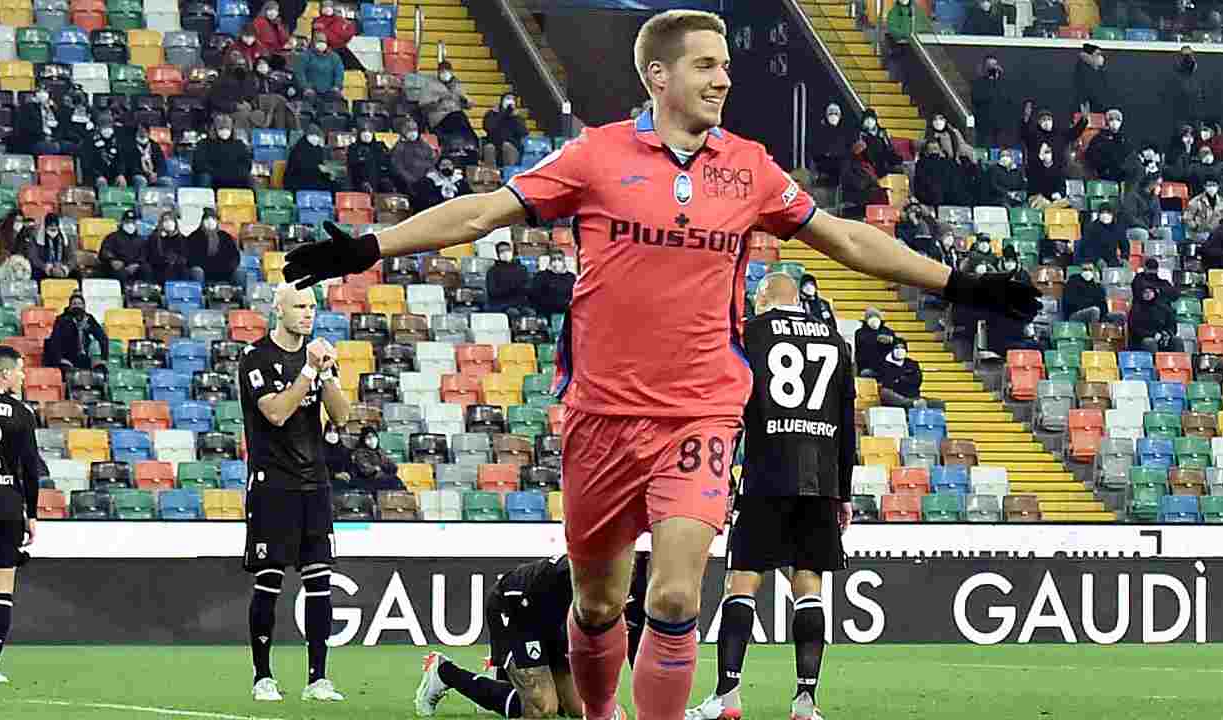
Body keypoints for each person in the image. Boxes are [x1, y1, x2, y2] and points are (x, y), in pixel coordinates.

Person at [281, 13, 1037, 720]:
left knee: (675, 599)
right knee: (600, 604)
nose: (723, 80)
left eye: (727, 67)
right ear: (657, 76)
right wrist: (367, 246)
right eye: (706, 66)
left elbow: (844, 237)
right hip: (600, 420)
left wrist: (958, 282)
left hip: (700, 413)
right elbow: (480, 213)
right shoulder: (595, 156)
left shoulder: (749, 169)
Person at [687, 273, 853, 720]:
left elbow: (731, 409)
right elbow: (846, 420)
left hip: (766, 474)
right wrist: (845, 492)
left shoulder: (750, 333)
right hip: (820, 481)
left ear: (763, 299)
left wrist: (718, 478)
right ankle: (805, 703)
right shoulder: (836, 341)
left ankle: (727, 697)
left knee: (741, 583)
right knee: (809, 588)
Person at [238, 282, 350, 703]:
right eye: (299, 306)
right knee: (270, 580)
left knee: (320, 579)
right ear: (278, 310)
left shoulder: (318, 359)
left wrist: (327, 374)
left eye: (312, 307)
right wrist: (307, 371)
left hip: (314, 484)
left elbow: (342, 417)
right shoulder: (256, 357)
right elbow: (277, 413)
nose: (308, 314)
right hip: (273, 484)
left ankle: (318, 678)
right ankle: (262, 676)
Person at [417, 555, 641, 718]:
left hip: (557, 623)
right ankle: (445, 672)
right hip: (518, 608)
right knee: (543, 707)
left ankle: (498, 678)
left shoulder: (644, 583)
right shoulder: (580, 573)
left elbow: (635, 651)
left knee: (578, 708)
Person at [0, 346, 42, 685]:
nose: (22, 376)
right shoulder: (20, 412)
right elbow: (29, 470)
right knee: (2, 588)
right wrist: (32, 514)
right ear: (3, 373)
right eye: (19, 370)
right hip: (6, 507)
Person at [1020, 102, 1088, 182]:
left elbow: (1074, 132)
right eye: (1043, 119)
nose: (1046, 122)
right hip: (1037, 177)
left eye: (1049, 119)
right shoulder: (1033, 136)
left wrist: (1083, 120)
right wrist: (1026, 118)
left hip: (1056, 177)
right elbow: (1024, 132)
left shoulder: (1059, 135)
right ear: (1039, 122)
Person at [42, 292, 109, 370]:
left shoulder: (89, 319)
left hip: (82, 358)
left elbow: (103, 338)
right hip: (65, 358)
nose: (77, 306)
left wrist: (104, 359)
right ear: (70, 306)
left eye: (80, 303)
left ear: (84, 306)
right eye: (74, 303)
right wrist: (60, 359)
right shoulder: (62, 320)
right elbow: (55, 340)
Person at [419, 60, 478, 146]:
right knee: (458, 118)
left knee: (461, 119)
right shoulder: (430, 85)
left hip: (455, 115)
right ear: (438, 72)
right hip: (439, 118)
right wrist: (439, 100)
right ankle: (467, 143)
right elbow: (423, 106)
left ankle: (472, 143)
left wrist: (466, 102)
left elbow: (466, 103)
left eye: (447, 71)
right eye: (442, 71)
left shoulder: (456, 84)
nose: (445, 73)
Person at [878, 337, 942, 409]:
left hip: (913, 395)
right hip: (895, 397)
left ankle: (913, 403)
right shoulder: (884, 365)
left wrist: (900, 380)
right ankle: (911, 403)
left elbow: (917, 381)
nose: (900, 350)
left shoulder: (912, 364)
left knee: (938, 403)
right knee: (885, 392)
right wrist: (904, 380)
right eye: (897, 347)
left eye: (903, 348)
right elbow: (888, 385)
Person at [211, 51, 267, 131]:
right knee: (242, 116)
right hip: (226, 112)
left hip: (247, 110)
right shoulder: (221, 80)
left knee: (259, 115)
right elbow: (216, 101)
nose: (241, 67)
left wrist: (250, 105)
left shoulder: (249, 80)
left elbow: (252, 97)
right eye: (238, 65)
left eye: (243, 65)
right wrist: (235, 106)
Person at [193, 114, 253, 189]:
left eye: (227, 128)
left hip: (234, 176)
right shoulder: (204, 144)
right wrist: (216, 172)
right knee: (205, 177)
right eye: (221, 128)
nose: (225, 131)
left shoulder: (239, 144)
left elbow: (246, 163)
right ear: (215, 129)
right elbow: (199, 163)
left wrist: (234, 172)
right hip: (214, 176)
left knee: (249, 178)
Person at [185, 209, 241, 285]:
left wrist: (230, 267)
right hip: (203, 272)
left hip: (224, 273)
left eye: (213, 219)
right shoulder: (193, 237)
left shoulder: (225, 236)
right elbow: (190, 258)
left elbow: (235, 256)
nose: (210, 222)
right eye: (207, 219)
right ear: (202, 221)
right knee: (197, 271)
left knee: (238, 272)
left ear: (217, 222)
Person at [11, 87, 71, 155]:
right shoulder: (28, 108)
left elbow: (60, 127)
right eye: (40, 91)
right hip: (35, 140)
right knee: (52, 147)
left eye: (45, 91)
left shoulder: (54, 109)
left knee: (70, 146)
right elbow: (26, 129)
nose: (43, 94)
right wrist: (44, 137)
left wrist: (55, 138)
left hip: (53, 139)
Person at [98, 210, 151, 285]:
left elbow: (144, 254)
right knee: (118, 272)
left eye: (132, 222)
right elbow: (105, 251)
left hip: (135, 266)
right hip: (119, 266)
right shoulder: (112, 237)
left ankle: (145, 291)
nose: (130, 224)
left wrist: (137, 264)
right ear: (122, 222)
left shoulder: (141, 239)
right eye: (127, 221)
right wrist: (112, 260)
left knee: (146, 269)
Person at [811, 101, 857, 186]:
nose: (833, 116)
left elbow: (848, 149)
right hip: (825, 163)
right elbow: (816, 151)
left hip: (840, 164)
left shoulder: (844, 131)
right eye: (831, 113)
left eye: (836, 113)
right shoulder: (820, 131)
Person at [971, 55, 1013, 146]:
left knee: (1000, 152)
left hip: (1000, 126)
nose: (992, 68)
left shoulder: (1003, 83)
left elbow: (1008, 100)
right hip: (984, 126)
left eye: (994, 65)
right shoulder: (978, 83)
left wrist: (998, 79)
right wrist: (990, 80)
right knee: (985, 153)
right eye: (989, 65)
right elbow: (977, 99)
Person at [1119, 175, 1174, 245]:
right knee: (1143, 233)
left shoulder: (1154, 197)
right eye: (1157, 184)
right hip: (1134, 228)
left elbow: (1157, 214)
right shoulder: (1133, 195)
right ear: (1150, 183)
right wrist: (1147, 228)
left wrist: (1154, 226)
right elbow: (1131, 218)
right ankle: (1145, 254)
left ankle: (1167, 253)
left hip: (1150, 228)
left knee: (1166, 231)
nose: (1159, 187)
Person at [389, 117, 438, 196]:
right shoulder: (399, 147)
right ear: (403, 131)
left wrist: (429, 174)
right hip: (409, 182)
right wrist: (411, 179)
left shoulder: (424, 145)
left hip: (426, 179)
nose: (413, 132)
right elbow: (398, 167)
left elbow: (432, 160)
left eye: (415, 129)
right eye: (409, 130)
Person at [79, 111, 127, 192]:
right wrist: (98, 175)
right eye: (104, 125)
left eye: (109, 125)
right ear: (98, 127)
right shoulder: (89, 140)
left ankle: (118, 204)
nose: (107, 128)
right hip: (94, 176)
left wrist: (120, 174)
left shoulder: (116, 140)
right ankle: (102, 203)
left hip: (112, 175)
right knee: (102, 182)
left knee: (122, 182)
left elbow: (121, 160)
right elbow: (87, 163)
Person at [284, 124, 339, 192]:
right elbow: (302, 166)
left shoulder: (317, 148)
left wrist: (329, 174)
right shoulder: (300, 148)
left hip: (312, 178)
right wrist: (320, 168)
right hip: (298, 181)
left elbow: (319, 164)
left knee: (335, 185)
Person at [311, 0, 362, 72]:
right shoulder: (317, 22)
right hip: (327, 49)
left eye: (329, 6)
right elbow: (325, 37)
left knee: (355, 66)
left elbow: (349, 32)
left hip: (341, 48)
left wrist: (338, 36)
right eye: (325, 7)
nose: (327, 9)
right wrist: (339, 36)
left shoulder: (339, 19)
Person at [1129, 281, 1179, 353]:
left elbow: (1172, 325)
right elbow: (1135, 328)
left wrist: (1167, 334)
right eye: (1145, 292)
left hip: (1162, 337)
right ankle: (1155, 363)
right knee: (1149, 342)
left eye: (1150, 292)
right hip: (1142, 339)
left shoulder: (1163, 307)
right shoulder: (1137, 309)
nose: (1148, 294)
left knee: (1176, 340)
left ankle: (1178, 362)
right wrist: (1153, 335)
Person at [119, 124, 171, 192]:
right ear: (136, 132)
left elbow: (161, 163)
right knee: (141, 180)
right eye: (140, 131)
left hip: (154, 175)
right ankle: (141, 201)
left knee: (167, 181)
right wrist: (147, 174)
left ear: (148, 133)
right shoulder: (130, 145)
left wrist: (156, 174)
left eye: (145, 131)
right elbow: (130, 165)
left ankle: (166, 201)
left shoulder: (154, 145)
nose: (143, 133)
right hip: (138, 175)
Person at [293, 31, 344, 100]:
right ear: (313, 42)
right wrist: (305, 87)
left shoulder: (334, 57)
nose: (322, 43)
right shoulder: (305, 56)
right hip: (310, 91)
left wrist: (337, 86)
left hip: (329, 91)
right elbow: (300, 73)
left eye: (323, 41)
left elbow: (339, 73)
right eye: (319, 41)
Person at [486, 240, 532, 317]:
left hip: (520, 304)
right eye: (502, 251)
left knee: (530, 313)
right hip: (501, 304)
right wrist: (513, 288)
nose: (506, 253)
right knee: (513, 313)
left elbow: (527, 287)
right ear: (498, 254)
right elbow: (492, 291)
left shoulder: (521, 268)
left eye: (508, 250)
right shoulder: (493, 271)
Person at [347, 121, 395, 194]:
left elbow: (386, 164)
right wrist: (362, 181)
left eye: (369, 131)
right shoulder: (353, 148)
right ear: (359, 133)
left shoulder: (379, 147)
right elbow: (352, 168)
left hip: (379, 181)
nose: (367, 133)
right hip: (359, 181)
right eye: (364, 131)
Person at [484, 94, 530, 169]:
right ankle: (492, 176)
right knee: (489, 148)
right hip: (495, 145)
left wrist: (515, 117)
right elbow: (489, 128)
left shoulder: (517, 117)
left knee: (507, 146)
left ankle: (508, 173)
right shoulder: (492, 114)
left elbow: (523, 132)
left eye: (513, 99)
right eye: (508, 98)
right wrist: (502, 114)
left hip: (512, 146)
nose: (510, 101)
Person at [1166, 46, 1205, 135]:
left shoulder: (1199, 77)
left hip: (1196, 117)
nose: (1187, 59)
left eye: (1189, 55)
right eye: (1184, 56)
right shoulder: (1174, 78)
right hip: (1180, 117)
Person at [1075, 203, 1128, 267]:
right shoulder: (1091, 228)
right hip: (1093, 259)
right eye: (1102, 213)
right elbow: (1086, 248)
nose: (1105, 215)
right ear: (1098, 214)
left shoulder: (1118, 228)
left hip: (1111, 259)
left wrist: (1124, 258)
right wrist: (1096, 260)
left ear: (1112, 214)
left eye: (1108, 212)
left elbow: (1125, 245)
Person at [1085, 109, 1131, 182]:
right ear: (1107, 121)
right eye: (1111, 119)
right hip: (1102, 175)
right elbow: (1090, 156)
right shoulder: (1099, 138)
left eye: (1118, 119)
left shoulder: (1124, 139)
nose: (1114, 122)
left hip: (1120, 177)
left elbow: (1128, 156)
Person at [529, 250, 575, 320]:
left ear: (564, 261)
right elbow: (535, 296)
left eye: (559, 259)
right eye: (554, 259)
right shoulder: (541, 276)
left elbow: (573, 296)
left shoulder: (571, 277)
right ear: (550, 261)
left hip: (566, 312)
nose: (557, 262)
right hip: (546, 311)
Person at [27, 214, 74, 282]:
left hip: (61, 268)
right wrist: (45, 267)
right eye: (50, 228)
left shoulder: (66, 238)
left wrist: (66, 268)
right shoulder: (36, 238)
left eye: (54, 229)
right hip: (44, 269)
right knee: (36, 274)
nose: (53, 231)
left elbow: (72, 257)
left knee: (76, 274)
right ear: (45, 227)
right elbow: (33, 257)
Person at [148, 211, 192, 283]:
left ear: (175, 223)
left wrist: (176, 260)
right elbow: (152, 256)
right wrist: (165, 259)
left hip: (179, 267)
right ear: (161, 223)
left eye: (171, 220)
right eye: (165, 220)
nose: (168, 223)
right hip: (160, 267)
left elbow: (186, 256)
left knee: (183, 268)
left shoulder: (182, 238)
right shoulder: (154, 238)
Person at [855, 306, 895, 377]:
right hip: (867, 367)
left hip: (885, 367)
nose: (874, 320)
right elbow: (860, 351)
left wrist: (891, 340)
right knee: (866, 373)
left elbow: (896, 345)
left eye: (876, 317)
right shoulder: (860, 333)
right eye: (871, 318)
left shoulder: (887, 331)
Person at [1027, 142, 1068, 209]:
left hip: (1055, 200)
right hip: (1041, 200)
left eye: (1048, 152)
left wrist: (1059, 194)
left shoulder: (1059, 170)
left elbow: (1062, 187)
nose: (1047, 155)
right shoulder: (1035, 170)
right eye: (1045, 152)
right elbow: (1033, 190)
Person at [1074, 44, 1110, 111]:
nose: (1101, 57)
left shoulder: (1101, 72)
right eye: (1098, 54)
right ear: (1088, 56)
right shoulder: (1082, 71)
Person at [321, 422, 354, 491]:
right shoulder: (319, 450)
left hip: (344, 485)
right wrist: (335, 475)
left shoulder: (344, 450)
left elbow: (350, 466)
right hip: (325, 485)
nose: (333, 434)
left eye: (335, 431)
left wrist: (349, 474)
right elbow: (318, 470)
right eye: (329, 431)